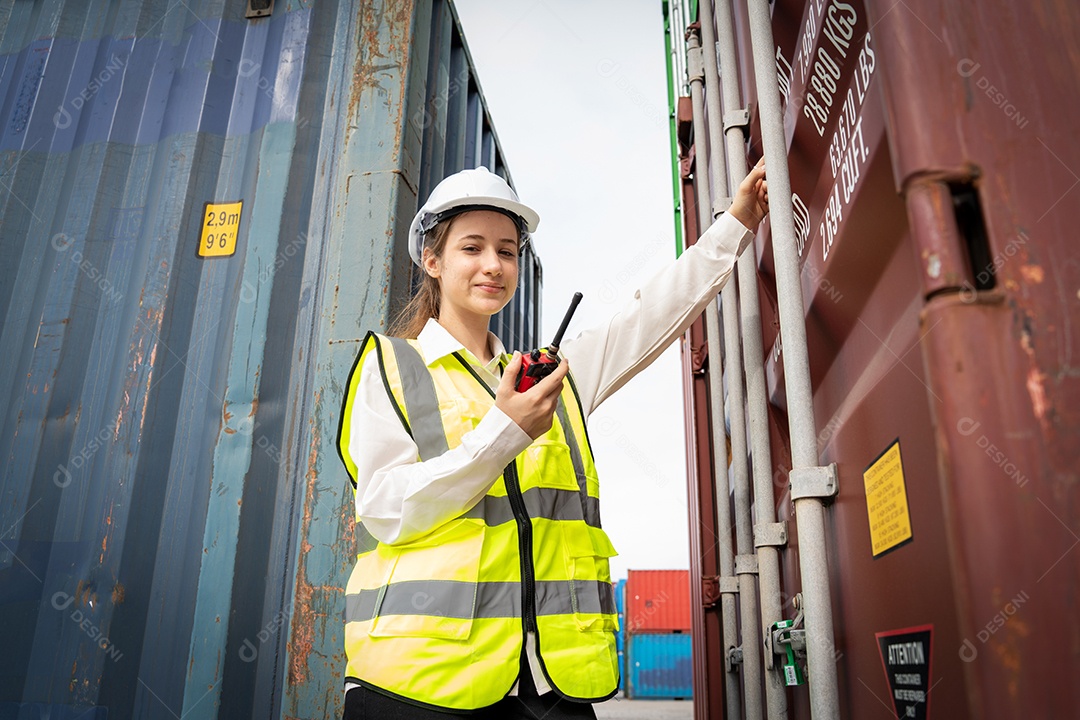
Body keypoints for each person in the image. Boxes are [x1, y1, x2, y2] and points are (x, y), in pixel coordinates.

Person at [336, 161, 768, 719]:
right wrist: (502, 434)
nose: (493, 265)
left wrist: (737, 221)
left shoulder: (547, 378)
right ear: (433, 260)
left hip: (548, 687)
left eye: (508, 251)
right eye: (473, 248)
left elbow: (646, 317)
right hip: (418, 685)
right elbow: (386, 511)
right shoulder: (393, 365)